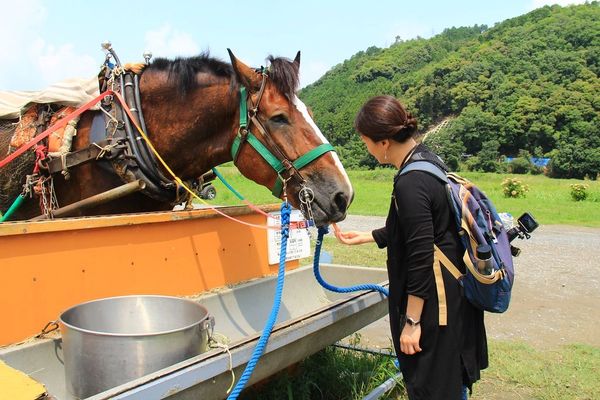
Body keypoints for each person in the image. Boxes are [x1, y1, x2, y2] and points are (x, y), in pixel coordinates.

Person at [332, 95, 488, 400]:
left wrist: (412, 322)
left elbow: (420, 255)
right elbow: (427, 228)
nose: (367, 148)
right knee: (450, 380)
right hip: (452, 296)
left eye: (366, 141)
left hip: (434, 307)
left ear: (384, 142)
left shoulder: (410, 182)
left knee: (436, 386)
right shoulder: (427, 160)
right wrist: (370, 236)